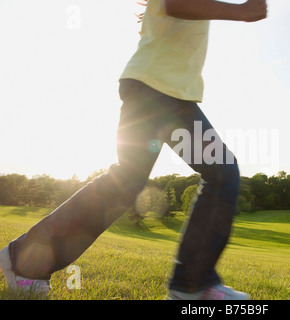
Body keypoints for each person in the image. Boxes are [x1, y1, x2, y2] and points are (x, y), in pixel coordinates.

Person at [0, 0, 267, 300]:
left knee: (125, 183)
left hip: (153, 89)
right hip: (161, 93)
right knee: (221, 172)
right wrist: (241, 12)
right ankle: (192, 284)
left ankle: (23, 260)